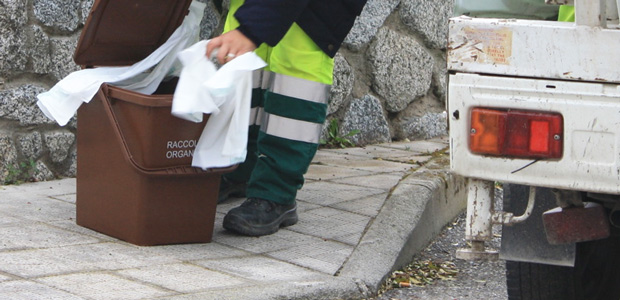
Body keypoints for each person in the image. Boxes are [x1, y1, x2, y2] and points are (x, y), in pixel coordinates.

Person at [206, 0, 367, 237]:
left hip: (314, 10)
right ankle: (239, 167)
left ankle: (275, 191)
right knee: (244, 65)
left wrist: (252, 29)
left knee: (295, 74)